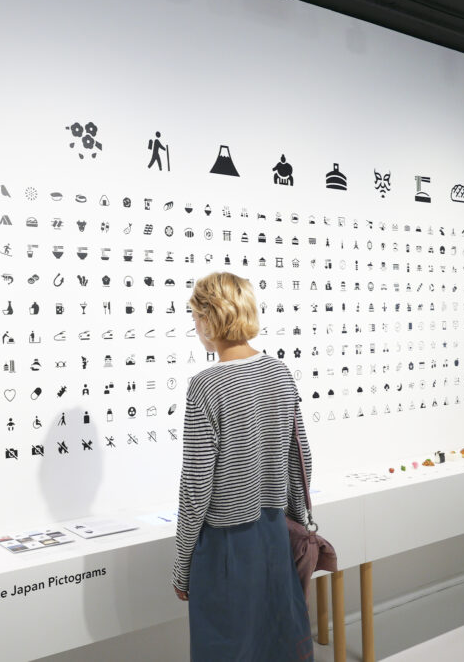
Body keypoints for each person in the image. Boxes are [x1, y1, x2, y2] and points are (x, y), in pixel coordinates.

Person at [172, 272, 313, 661]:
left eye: (194, 317)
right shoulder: (278, 372)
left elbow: (196, 488)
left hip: (225, 547)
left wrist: (182, 565)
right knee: (278, 644)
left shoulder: (207, 386)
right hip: (273, 533)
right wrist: (297, 522)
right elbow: (300, 458)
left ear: (206, 319)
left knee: (228, 650)